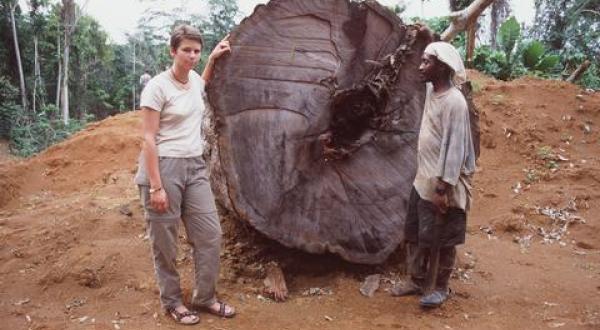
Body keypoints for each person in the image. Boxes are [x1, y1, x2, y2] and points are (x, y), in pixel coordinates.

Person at [134, 24, 233, 325]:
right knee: (165, 243)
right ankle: (173, 302)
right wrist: (155, 187)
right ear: (172, 51)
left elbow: (199, 86)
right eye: (186, 50)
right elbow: (148, 139)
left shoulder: (193, 80)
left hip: (195, 166)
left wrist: (213, 60)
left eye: (196, 51)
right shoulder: (157, 87)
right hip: (163, 168)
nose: (191, 56)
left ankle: (205, 297)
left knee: (210, 235)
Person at [391, 41, 476, 308]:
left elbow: (455, 149)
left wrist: (443, 189)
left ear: (441, 68)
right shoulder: (431, 90)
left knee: (444, 238)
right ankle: (416, 281)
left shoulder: (455, 103)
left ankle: (440, 287)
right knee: (416, 233)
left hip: (443, 184)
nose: (421, 65)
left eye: (427, 62)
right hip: (422, 179)